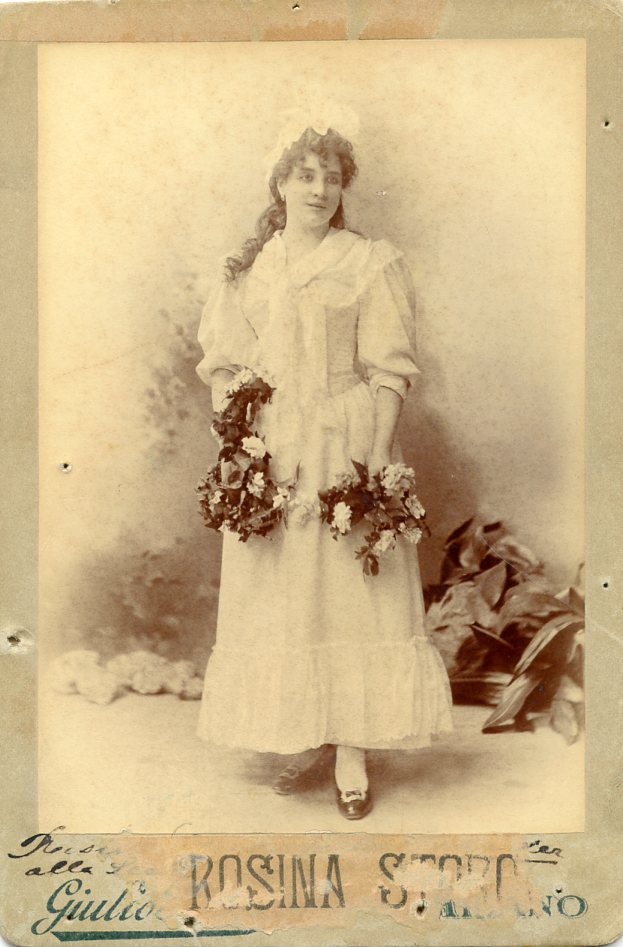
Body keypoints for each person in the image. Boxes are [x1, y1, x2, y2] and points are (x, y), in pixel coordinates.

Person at [195, 117, 453, 820]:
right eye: (304, 175)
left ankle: (351, 750)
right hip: (272, 445)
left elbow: (389, 368)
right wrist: (239, 442)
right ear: (279, 183)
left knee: (349, 591)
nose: (318, 189)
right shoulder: (249, 269)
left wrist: (377, 453)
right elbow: (224, 364)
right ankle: (304, 731)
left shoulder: (366, 261)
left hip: (346, 436)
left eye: (331, 177)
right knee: (286, 592)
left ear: (343, 188)